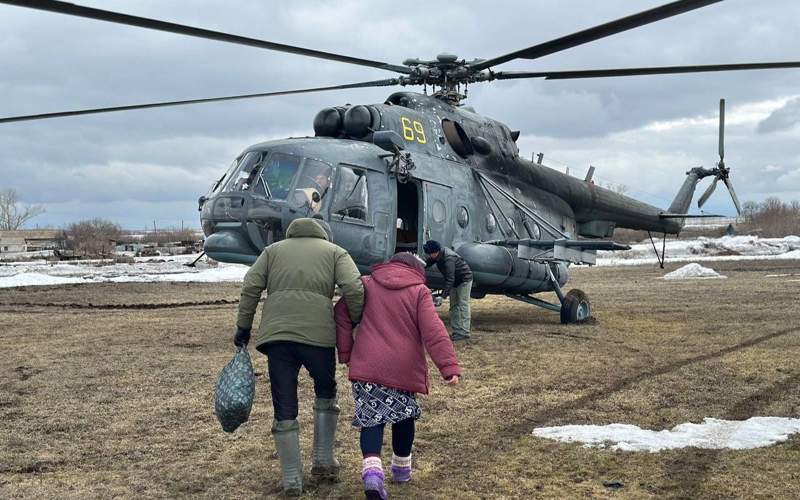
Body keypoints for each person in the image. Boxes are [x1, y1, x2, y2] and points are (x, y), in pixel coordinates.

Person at [233, 217, 364, 496]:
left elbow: (250, 287)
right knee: (326, 391)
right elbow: (353, 287)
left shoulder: (272, 251)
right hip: (318, 337)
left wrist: (243, 326)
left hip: (277, 338)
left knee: (284, 402)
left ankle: (292, 478)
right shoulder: (335, 252)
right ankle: (323, 460)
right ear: (323, 233)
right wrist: (357, 320)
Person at [334, 252, 462, 499]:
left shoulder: (366, 284)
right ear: (416, 270)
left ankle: (372, 475)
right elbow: (433, 330)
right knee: (404, 416)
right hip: (402, 368)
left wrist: (346, 351)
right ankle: (401, 469)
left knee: (371, 418)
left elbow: (341, 313)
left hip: (366, 366)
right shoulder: (419, 291)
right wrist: (448, 367)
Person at [422, 240, 474, 341]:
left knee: (463, 304)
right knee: (453, 305)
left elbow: (450, 278)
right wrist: (419, 264)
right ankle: (457, 331)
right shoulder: (437, 255)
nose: (429, 255)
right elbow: (427, 263)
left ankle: (464, 332)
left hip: (464, 280)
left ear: (435, 252)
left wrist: (442, 296)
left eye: (429, 253)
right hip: (455, 281)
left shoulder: (448, 258)